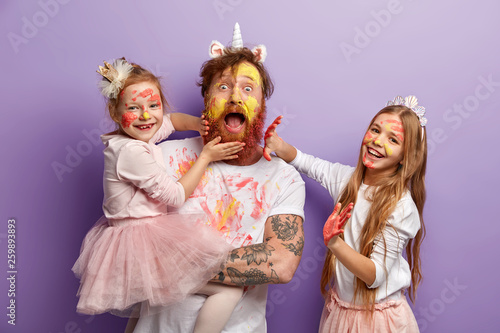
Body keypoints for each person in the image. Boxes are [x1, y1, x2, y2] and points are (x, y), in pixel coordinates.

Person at [131, 23, 306, 332]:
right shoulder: (164, 158)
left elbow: (281, 261)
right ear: (206, 101)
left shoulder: (283, 178)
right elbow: (133, 247)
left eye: (248, 89)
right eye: (223, 87)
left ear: (262, 106)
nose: (235, 97)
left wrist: (178, 264)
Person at [72, 58, 247, 333]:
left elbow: (171, 121)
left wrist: (200, 126)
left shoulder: (135, 137)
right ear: (115, 112)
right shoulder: (131, 153)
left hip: (137, 239)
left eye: (153, 105)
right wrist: (206, 157)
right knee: (229, 291)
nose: (146, 116)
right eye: (134, 108)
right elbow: (176, 196)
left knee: (145, 307)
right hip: (141, 243)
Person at [265, 96, 427, 332]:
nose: (377, 141)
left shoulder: (401, 206)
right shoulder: (346, 179)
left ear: (406, 157)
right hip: (341, 312)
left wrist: (334, 243)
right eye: (375, 130)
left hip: (379, 320)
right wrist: (279, 146)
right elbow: (307, 162)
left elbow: (376, 275)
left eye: (393, 139)